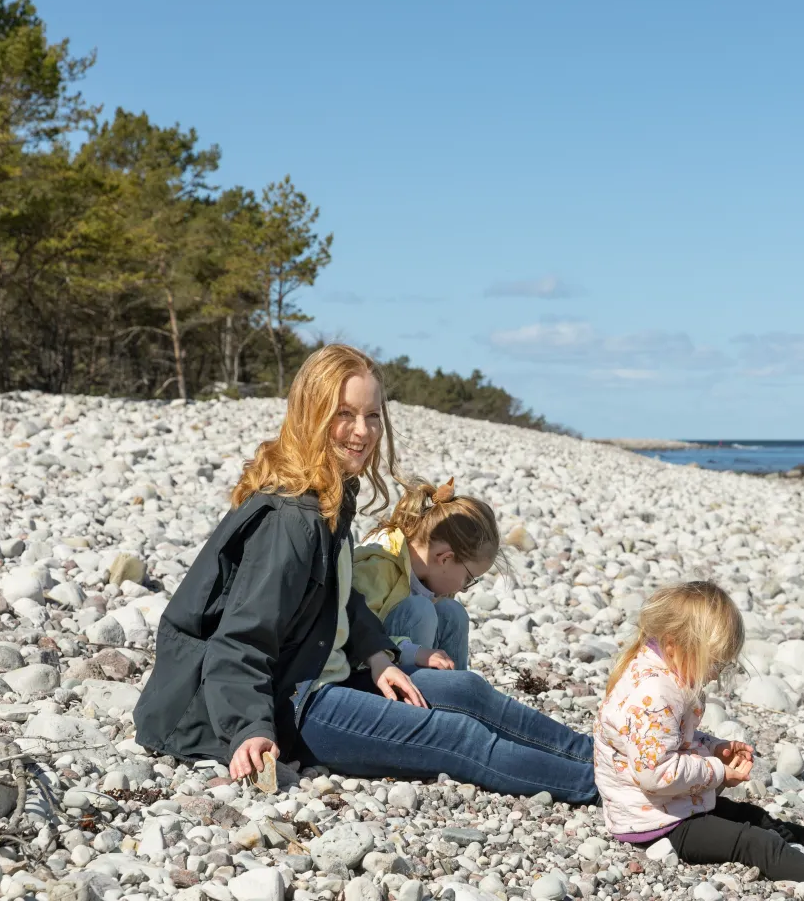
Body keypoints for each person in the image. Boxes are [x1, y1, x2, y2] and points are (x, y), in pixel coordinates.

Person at [133, 344, 596, 803]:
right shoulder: (289, 521)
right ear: (311, 415)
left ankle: (608, 761)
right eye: (345, 414)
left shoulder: (329, 493)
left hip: (321, 672)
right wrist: (249, 731)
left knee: (469, 690)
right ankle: (611, 792)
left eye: (372, 415)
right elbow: (240, 639)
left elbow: (336, 596)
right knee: (458, 738)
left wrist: (377, 656)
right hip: (294, 704)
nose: (362, 431)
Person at [593, 581, 804, 900]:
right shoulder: (656, 696)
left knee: (755, 818)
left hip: (665, 808)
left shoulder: (663, 675)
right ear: (676, 645)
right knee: (754, 842)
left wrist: (715, 747)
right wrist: (718, 772)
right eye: (713, 662)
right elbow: (656, 773)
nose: (715, 674)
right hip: (653, 825)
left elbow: (672, 739)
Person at [350, 477, 498, 672]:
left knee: (452, 612)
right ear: (445, 559)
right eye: (468, 579)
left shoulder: (429, 579)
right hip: (372, 670)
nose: (463, 588)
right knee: (420, 609)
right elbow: (354, 634)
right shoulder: (378, 567)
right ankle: (418, 695)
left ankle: (454, 692)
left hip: (399, 658)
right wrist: (412, 652)